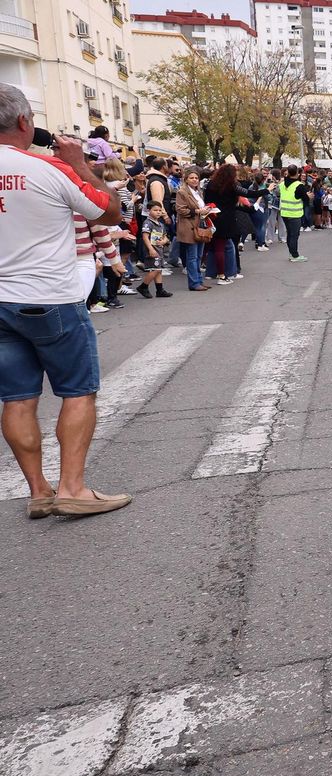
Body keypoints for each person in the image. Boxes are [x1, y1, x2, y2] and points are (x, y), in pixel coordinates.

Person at [0, 90, 131, 519]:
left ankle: (39, 490)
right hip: (49, 296)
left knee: (17, 399)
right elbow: (109, 212)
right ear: (24, 123)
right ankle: (72, 487)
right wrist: (79, 164)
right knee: (78, 392)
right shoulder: (48, 167)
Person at [175, 168, 219, 292]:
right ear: (186, 179)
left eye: (196, 178)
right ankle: (194, 283)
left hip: (200, 225)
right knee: (192, 257)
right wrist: (198, 211)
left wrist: (207, 209)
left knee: (199, 256)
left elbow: (200, 207)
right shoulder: (182, 192)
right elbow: (180, 210)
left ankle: (199, 280)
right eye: (191, 178)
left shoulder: (198, 192)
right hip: (189, 226)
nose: (194, 180)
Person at [136, 202, 174, 299]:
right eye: (155, 210)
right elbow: (145, 237)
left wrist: (164, 241)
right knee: (155, 269)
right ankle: (143, 286)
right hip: (152, 250)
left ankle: (159, 290)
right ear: (149, 211)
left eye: (160, 210)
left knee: (159, 270)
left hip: (159, 249)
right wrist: (151, 249)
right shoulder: (148, 223)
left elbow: (165, 236)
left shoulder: (160, 224)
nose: (158, 212)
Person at [279, 166, 311, 262]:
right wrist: (308, 196)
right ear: (297, 173)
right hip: (294, 213)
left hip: (284, 212)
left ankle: (291, 253)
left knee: (289, 234)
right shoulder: (299, 185)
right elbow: (305, 199)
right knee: (294, 235)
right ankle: (295, 255)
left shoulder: (282, 184)